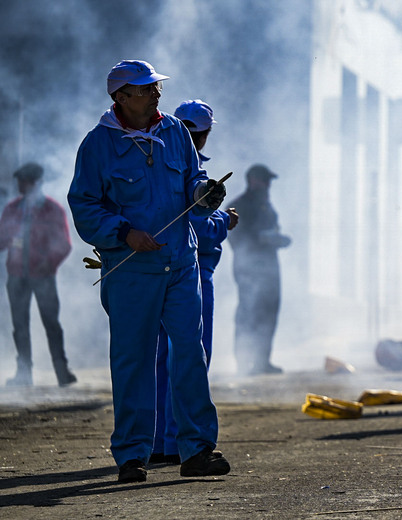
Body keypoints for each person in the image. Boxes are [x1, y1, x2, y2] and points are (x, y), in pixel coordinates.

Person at [67, 60, 230, 483]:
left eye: (156, 86)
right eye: (145, 88)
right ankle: (132, 456)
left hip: (181, 262)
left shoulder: (176, 131)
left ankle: (197, 450)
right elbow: (84, 205)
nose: (156, 93)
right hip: (131, 269)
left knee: (190, 353)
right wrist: (123, 232)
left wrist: (205, 193)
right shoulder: (97, 145)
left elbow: (195, 180)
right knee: (132, 360)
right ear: (120, 97)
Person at [151, 100, 239, 463]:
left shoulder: (154, 159)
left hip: (154, 270)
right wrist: (224, 221)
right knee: (190, 356)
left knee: (156, 358)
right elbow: (199, 229)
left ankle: (155, 441)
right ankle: (177, 441)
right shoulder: (193, 172)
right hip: (192, 273)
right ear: (203, 134)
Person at [0, 162, 75, 387]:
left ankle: (62, 372)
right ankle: (24, 374)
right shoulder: (12, 208)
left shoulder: (52, 210)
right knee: (20, 325)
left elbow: (64, 244)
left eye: (23, 180)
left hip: (43, 275)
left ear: (36, 182)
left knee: (51, 323)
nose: (20, 184)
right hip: (16, 275)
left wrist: (49, 263)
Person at [229, 164, 291, 376]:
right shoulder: (238, 206)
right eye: (265, 181)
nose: (268, 186)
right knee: (249, 313)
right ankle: (243, 363)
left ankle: (262, 361)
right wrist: (259, 240)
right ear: (254, 180)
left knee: (269, 314)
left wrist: (279, 240)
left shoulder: (267, 206)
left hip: (270, 269)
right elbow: (234, 236)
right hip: (249, 270)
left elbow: (274, 230)